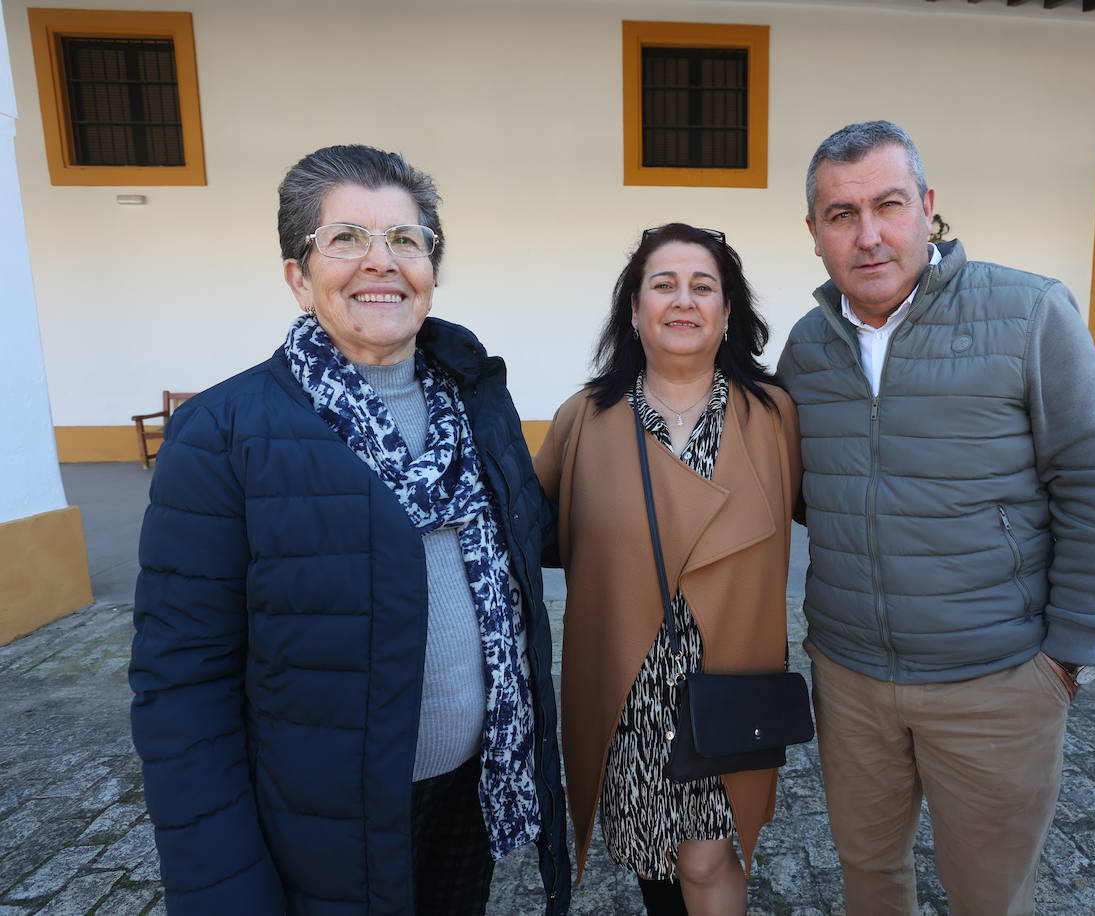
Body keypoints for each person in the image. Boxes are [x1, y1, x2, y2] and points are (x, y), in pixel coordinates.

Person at [129, 145, 569, 915]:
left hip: (472, 787)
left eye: (407, 239)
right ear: (299, 277)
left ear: (431, 267)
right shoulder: (224, 433)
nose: (382, 262)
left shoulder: (477, 404)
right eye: (346, 239)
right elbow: (181, 688)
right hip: (326, 819)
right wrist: (222, 890)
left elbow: (535, 538)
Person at [777, 121, 1095, 915]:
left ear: (928, 207)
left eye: (888, 205)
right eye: (841, 214)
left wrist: (1068, 657)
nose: (868, 235)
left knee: (989, 896)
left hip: (998, 684)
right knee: (868, 877)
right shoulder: (806, 350)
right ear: (814, 234)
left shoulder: (1028, 313)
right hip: (850, 679)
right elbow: (812, 492)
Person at [535, 223, 801, 915]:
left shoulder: (774, 417)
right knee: (654, 858)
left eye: (702, 286)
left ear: (727, 310)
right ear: (633, 308)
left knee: (709, 858)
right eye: (664, 284)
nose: (683, 301)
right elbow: (543, 533)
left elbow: (840, 511)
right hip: (630, 684)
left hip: (729, 682)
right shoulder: (584, 419)